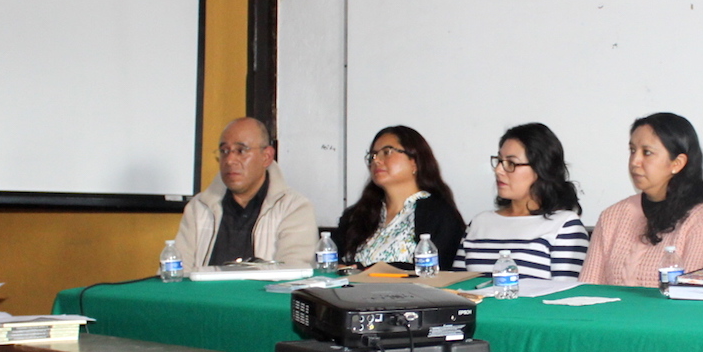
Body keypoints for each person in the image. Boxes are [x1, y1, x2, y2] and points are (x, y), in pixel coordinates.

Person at [579, 112, 703, 287]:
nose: (635, 161)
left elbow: (692, 293)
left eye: (647, 153)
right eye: (632, 151)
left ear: (677, 163)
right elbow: (587, 288)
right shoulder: (612, 216)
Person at [174, 116, 318, 268]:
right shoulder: (199, 208)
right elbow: (177, 271)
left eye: (241, 151)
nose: (230, 160)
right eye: (224, 151)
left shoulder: (294, 208)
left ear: (267, 156)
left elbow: (293, 271)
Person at [456, 122, 590, 278]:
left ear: (541, 168)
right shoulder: (479, 223)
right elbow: (454, 285)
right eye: (499, 161)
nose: (498, 170)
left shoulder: (565, 226)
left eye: (511, 163)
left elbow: (568, 290)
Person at [335, 125, 465, 267]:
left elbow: (436, 271)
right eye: (373, 156)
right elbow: (331, 259)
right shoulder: (356, 215)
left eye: (387, 152)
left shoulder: (439, 214)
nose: (376, 160)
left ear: (414, 162)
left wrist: (365, 271)